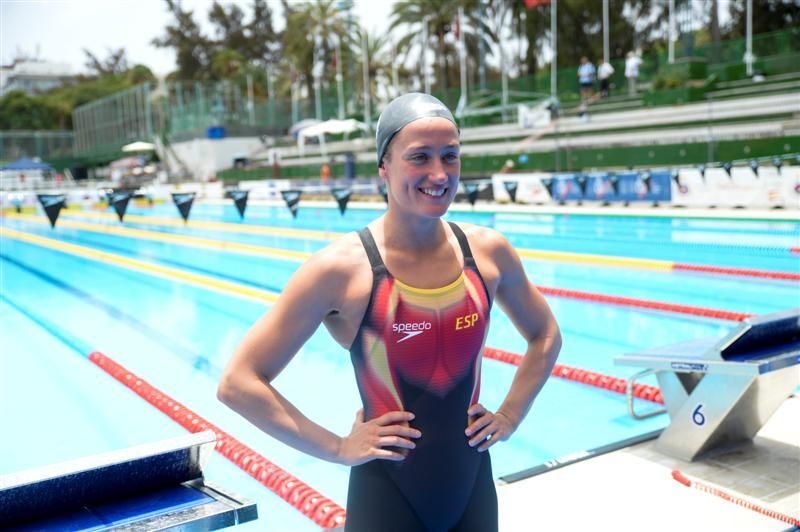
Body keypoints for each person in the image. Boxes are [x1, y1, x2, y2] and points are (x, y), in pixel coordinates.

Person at [217, 92, 562, 532]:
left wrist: (511, 415)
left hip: (472, 488)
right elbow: (239, 382)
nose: (439, 174)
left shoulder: (488, 252)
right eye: (419, 157)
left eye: (450, 157)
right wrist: (338, 448)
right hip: (387, 496)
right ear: (384, 165)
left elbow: (546, 334)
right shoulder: (340, 270)